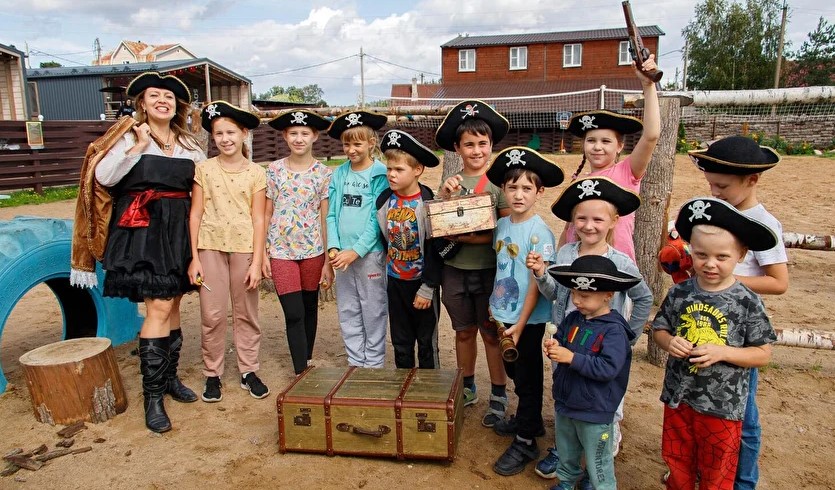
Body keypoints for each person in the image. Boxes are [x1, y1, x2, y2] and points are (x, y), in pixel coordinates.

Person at [94, 71, 206, 432]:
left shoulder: (190, 144)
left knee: (173, 305)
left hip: (179, 230)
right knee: (157, 306)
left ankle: (170, 379)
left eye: (169, 97)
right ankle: (153, 397)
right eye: (154, 95)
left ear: (177, 105)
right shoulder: (128, 136)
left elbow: (203, 186)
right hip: (143, 229)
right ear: (142, 102)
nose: (162, 101)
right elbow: (104, 177)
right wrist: (138, 146)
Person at [529, 176, 653, 481]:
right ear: (573, 221)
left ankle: (602, 448)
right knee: (568, 390)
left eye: (598, 219)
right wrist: (542, 274)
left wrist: (628, 336)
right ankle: (565, 450)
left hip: (602, 346)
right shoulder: (566, 254)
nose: (589, 225)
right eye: (581, 218)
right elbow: (556, 294)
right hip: (568, 342)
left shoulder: (621, 262)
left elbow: (643, 297)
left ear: (614, 221)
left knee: (604, 396)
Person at [652, 197, 778, 490]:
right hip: (679, 397)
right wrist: (669, 342)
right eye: (701, 255)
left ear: (741, 255)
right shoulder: (680, 292)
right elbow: (660, 329)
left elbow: (763, 354)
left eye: (722, 257)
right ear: (690, 251)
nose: (710, 264)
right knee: (677, 459)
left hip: (723, 406)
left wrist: (723, 352)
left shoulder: (747, 300)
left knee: (717, 468)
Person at [689, 135, 788, 490]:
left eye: (722, 186)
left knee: (743, 415)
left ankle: (743, 482)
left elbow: (778, 282)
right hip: (706, 324)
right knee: (703, 406)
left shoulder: (762, 223)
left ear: (752, 180)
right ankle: (709, 472)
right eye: (711, 184)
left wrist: (727, 281)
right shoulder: (717, 215)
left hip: (741, 334)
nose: (714, 192)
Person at [484, 147, 564, 476]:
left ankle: (526, 439)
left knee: (529, 379)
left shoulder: (539, 232)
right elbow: (502, 267)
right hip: (504, 313)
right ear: (503, 189)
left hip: (527, 320)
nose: (519, 195)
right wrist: (495, 307)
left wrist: (520, 322)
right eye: (512, 187)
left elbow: (535, 283)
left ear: (539, 192)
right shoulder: (502, 225)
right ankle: (528, 420)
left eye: (527, 188)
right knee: (514, 371)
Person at [435, 100, 512, 427]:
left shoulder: (501, 184)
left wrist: (472, 238)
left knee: (491, 334)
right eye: (469, 144)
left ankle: (499, 393)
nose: (476, 150)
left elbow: (507, 231)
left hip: (490, 272)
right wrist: (444, 197)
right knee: (463, 332)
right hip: (455, 271)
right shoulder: (450, 185)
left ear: (491, 145)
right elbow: (438, 225)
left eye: (482, 143)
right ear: (457, 148)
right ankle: (467, 387)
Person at [188, 101, 268, 403]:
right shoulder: (203, 170)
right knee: (212, 314)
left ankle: (249, 370)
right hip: (210, 247)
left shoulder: (256, 173)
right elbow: (195, 214)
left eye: (231, 132)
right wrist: (194, 258)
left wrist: (257, 261)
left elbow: (259, 218)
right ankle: (213, 373)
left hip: (244, 249)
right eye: (218, 133)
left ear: (244, 133)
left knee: (246, 312)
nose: (225, 139)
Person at [545, 255, 642, 490]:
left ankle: (602, 486)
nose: (576, 300)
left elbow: (608, 368)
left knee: (598, 459)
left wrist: (571, 358)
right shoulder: (572, 319)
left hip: (595, 410)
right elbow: (561, 340)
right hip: (566, 402)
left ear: (608, 295)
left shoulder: (615, 331)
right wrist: (554, 346)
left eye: (585, 295)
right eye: (574, 293)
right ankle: (566, 482)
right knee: (566, 450)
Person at [559, 54, 661, 261]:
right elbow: (569, 228)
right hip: (579, 264)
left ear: (619, 146)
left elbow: (651, 136)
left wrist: (648, 86)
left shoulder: (627, 172)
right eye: (591, 140)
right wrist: (559, 260)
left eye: (606, 141)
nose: (597, 147)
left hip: (615, 267)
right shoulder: (580, 182)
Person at [263, 110, 333, 375]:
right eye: (293, 133)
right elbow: (267, 212)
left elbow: (325, 216)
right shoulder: (274, 170)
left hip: (313, 250)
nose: (299, 138)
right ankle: (299, 370)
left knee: (309, 306)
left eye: (304, 133)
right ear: (285, 136)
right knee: (293, 312)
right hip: (281, 251)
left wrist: (327, 260)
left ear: (314, 136)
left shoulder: (324, 173)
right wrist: (263, 253)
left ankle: (307, 358)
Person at [326, 111, 389, 368]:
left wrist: (357, 250)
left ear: (371, 143)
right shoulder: (340, 173)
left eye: (357, 144)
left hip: (370, 255)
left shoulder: (380, 173)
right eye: (346, 144)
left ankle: (373, 364)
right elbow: (331, 214)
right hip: (342, 256)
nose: (351, 150)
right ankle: (355, 361)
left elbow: (377, 218)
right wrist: (334, 246)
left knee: (372, 309)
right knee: (348, 308)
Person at [376, 129, 442, 369]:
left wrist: (428, 286)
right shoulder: (384, 200)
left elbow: (435, 249)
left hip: (421, 283)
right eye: (389, 169)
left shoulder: (428, 203)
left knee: (426, 343)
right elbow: (385, 238)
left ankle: (429, 387)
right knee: (401, 341)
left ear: (417, 170)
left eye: (399, 169)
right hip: (395, 281)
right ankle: (403, 385)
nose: (391, 174)